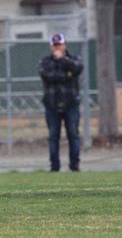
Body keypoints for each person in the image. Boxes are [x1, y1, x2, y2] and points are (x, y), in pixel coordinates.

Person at [38, 33, 83, 172]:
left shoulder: (74, 59)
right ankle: (54, 167)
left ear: (65, 45)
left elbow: (77, 69)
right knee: (53, 136)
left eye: (60, 44)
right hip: (52, 105)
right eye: (55, 45)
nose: (57, 47)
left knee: (73, 135)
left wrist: (62, 60)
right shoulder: (45, 61)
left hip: (71, 105)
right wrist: (67, 75)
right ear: (51, 46)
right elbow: (47, 75)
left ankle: (74, 166)